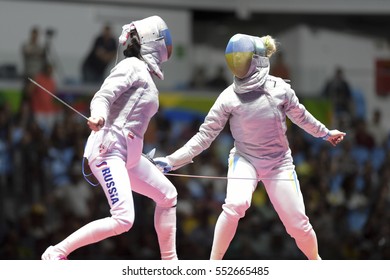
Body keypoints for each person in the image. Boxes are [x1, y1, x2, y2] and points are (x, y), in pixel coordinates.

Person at [154, 33, 346, 260]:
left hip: (278, 163)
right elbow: (204, 137)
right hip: (245, 159)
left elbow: (302, 117)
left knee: (298, 224)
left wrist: (325, 133)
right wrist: (171, 161)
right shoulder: (228, 97)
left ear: (257, 59)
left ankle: (317, 263)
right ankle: (213, 266)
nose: (237, 65)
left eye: (241, 59)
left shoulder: (280, 89)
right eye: (233, 60)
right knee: (235, 205)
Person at [41, 15, 178, 260]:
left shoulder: (144, 73)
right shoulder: (131, 66)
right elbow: (102, 97)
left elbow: (133, 124)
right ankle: (56, 253)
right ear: (151, 41)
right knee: (124, 218)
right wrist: (99, 117)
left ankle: (170, 265)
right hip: (108, 151)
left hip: (129, 157)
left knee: (168, 196)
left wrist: (141, 155)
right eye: (164, 39)